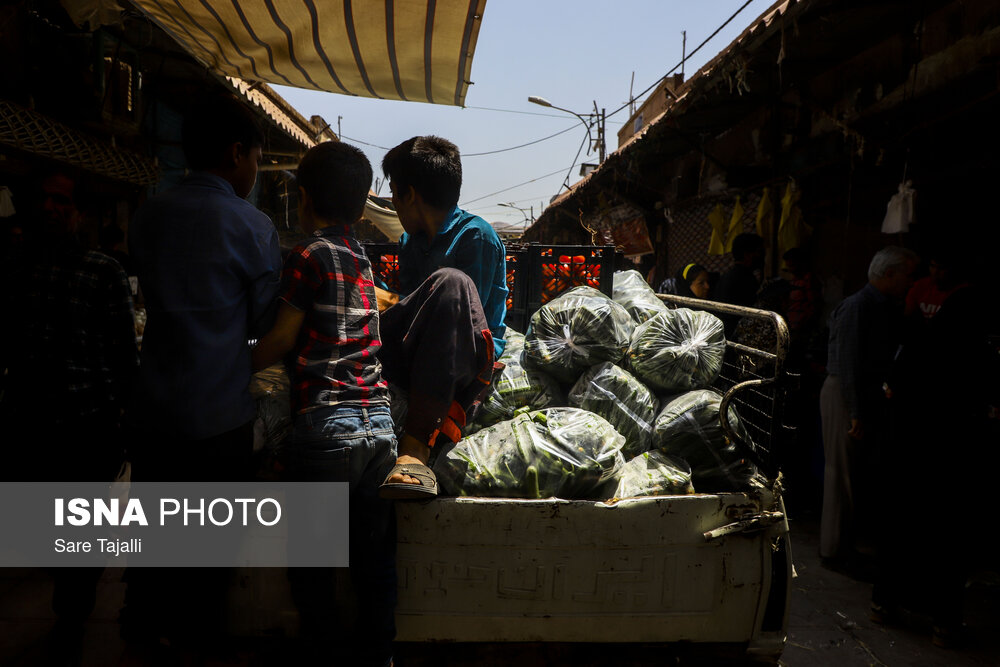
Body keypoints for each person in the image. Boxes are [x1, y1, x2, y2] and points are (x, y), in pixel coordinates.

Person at [123, 94, 281, 650]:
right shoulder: (253, 226)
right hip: (219, 417)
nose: (255, 171)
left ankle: (143, 630)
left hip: (152, 410)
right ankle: (192, 638)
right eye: (257, 159)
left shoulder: (148, 215)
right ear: (237, 154)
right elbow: (263, 322)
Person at [251, 142, 397, 666]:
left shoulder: (307, 254)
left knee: (313, 565)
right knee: (372, 561)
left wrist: (233, 363)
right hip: (379, 427)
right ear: (360, 208)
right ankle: (378, 655)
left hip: (326, 425)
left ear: (304, 198)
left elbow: (281, 338)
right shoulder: (361, 256)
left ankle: (322, 655)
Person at [0, 169, 137, 664]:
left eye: (62, 201)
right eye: (44, 199)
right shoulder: (16, 270)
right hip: (27, 421)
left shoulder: (104, 272)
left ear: (79, 212)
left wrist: (122, 421)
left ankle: (72, 617)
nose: (51, 208)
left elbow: (124, 357)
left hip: (87, 425)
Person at [375, 135, 506, 499]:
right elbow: (408, 307)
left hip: (464, 355)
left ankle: (415, 447)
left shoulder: (476, 236)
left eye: (393, 192)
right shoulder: (410, 242)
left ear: (409, 194)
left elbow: (468, 326)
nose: (392, 202)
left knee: (452, 283)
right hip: (417, 349)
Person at [819, 246, 917, 571]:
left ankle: (845, 545)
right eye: (907, 275)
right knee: (841, 475)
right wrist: (855, 411)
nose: (910, 282)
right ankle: (833, 551)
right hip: (845, 393)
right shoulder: (858, 306)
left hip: (859, 394)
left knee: (853, 474)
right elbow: (848, 364)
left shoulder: (883, 306)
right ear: (889, 274)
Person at [714, 233, 765, 334]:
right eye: (759, 252)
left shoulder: (729, 275)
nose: (763, 256)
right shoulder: (745, 278)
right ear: (747, 255)